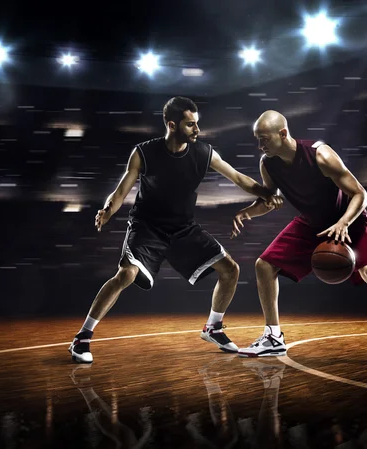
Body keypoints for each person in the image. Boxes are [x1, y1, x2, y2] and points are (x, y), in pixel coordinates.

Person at [69, 97, 280, 363]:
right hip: (147, 227)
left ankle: (213, 328)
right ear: (172, 124)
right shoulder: (144, 152)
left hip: (183, 228)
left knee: (231, 269)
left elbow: (239, 179)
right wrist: (108, 210)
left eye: (197, 124)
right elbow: (122, 189)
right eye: (191, 125)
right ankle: (82, 338)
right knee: (126, 275)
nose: (197, 130)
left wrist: (267, 192)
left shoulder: (204, 152)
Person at [232, 110, 367, 360]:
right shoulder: (268, 163)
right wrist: (247, 212)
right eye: (257, 139)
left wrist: (344, 222)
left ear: (283, 133)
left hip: (348, 219)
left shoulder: (320, 154)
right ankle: (273, 337)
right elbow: (270, 200)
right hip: (312, 223)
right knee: (264, 266)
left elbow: (360, 194)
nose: (260, 145)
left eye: (264, 138)